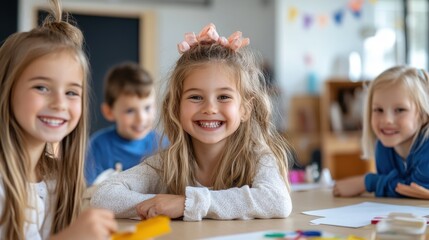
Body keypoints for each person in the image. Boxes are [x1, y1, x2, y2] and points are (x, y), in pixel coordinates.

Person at [90, 23, 293, 221]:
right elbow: (103, 196)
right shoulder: (167, 164)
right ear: (176, 107)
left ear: (245, 109)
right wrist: (163, 204)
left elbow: (278, 201)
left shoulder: (258, 158)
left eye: (223, 97)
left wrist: (185, 203)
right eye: (195, 97)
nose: (210, 108)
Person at [0, 0, 117, 239]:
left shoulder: (55, 178)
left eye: (72, 92)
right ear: (5, 88)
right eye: (42, 87)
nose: (60, 104)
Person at [333, 66, 429, 198]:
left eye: (400, 110)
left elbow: (415, 191)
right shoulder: (383, 147)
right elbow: (393, 194)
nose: (387, 120)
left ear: (424, 115)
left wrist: (367, 182)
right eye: (378, 110)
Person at [85, 62, 166, 185]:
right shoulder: (97, 146)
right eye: (130, 111)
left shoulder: (163, 145)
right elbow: (89, 191)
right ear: (109, 112)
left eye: (147, 108)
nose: (141, 119)